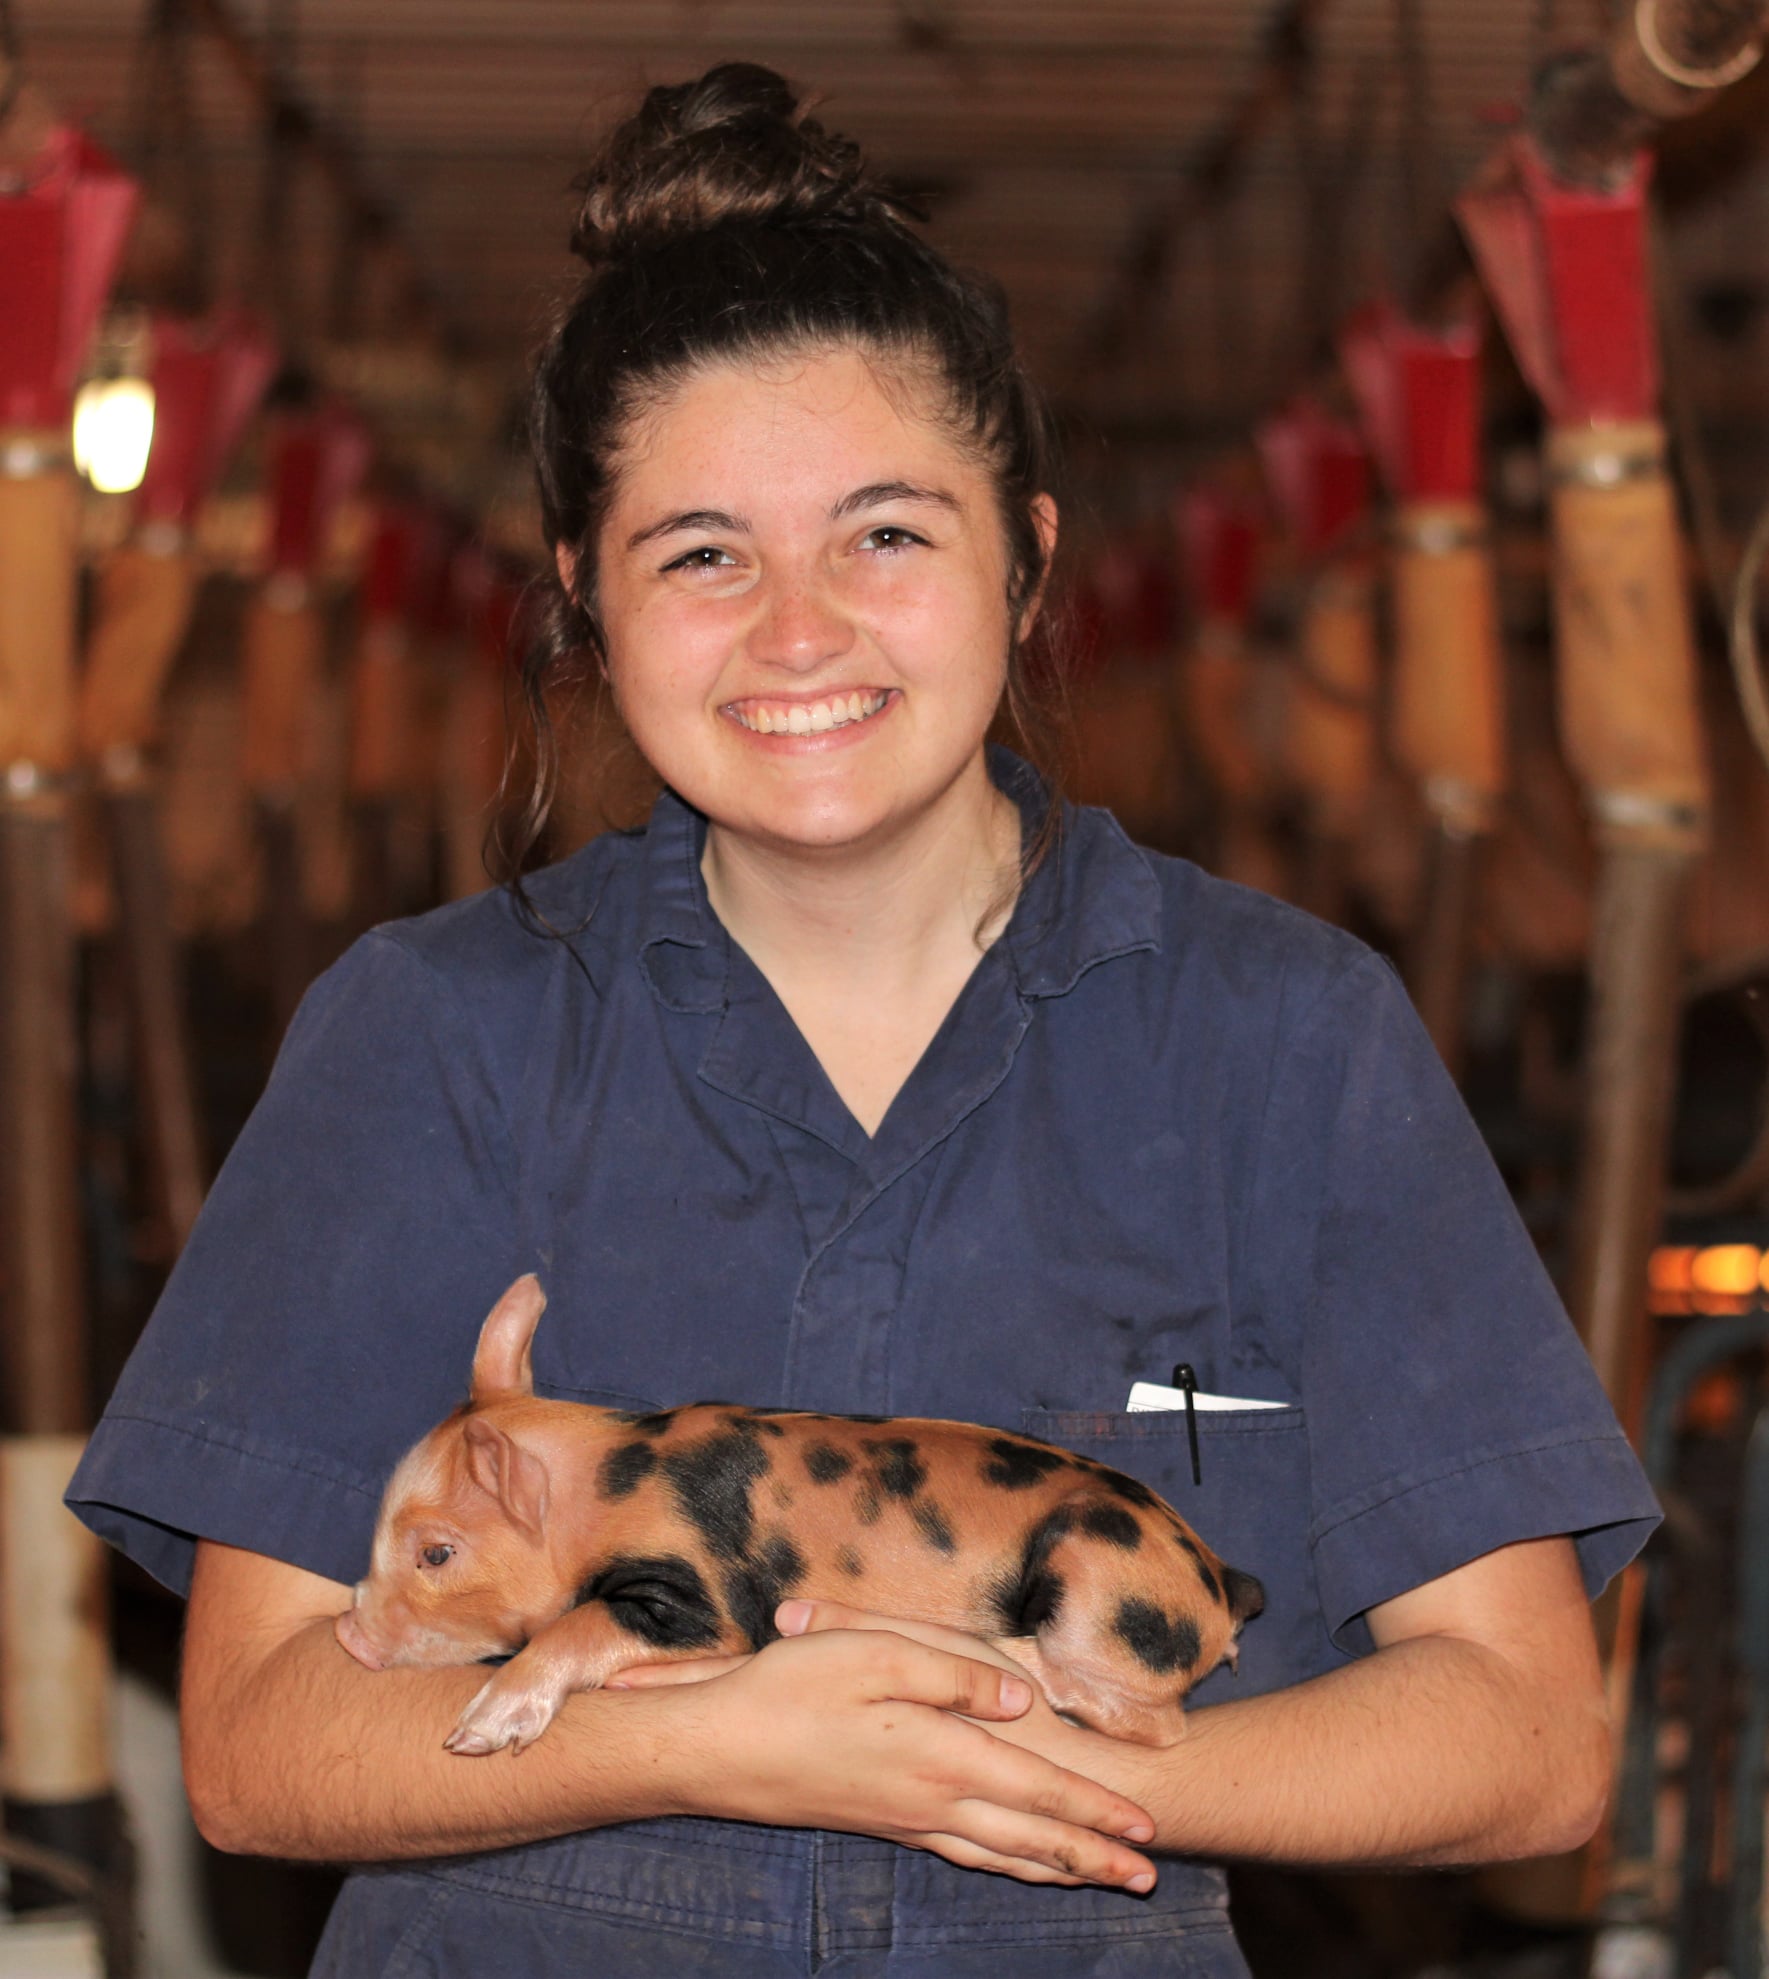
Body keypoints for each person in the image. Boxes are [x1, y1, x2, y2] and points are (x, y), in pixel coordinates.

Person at [69, 62, 1658, 1978]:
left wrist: (992, 1761)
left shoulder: (1280, 1034)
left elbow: (1524, 1736)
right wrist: (709, 1739)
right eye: (703, 554)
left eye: (888, 535)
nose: (799, 630)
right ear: (581, 601)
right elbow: (252, 1743)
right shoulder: (429, 1032)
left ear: (1031, 559)